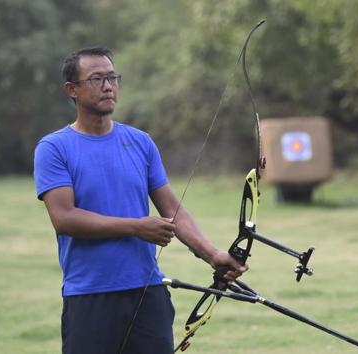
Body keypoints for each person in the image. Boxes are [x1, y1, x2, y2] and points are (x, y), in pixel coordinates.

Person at [33, 47, 247, 354]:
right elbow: (64, 218)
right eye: (96, 79)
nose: (108, 86)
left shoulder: (140, 142)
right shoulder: (54, 148)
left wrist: (212, 254)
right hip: (90, 296)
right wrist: (136, 227)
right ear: (72, 90)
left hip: (148, 293)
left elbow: (172, 209)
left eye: (112, 78)